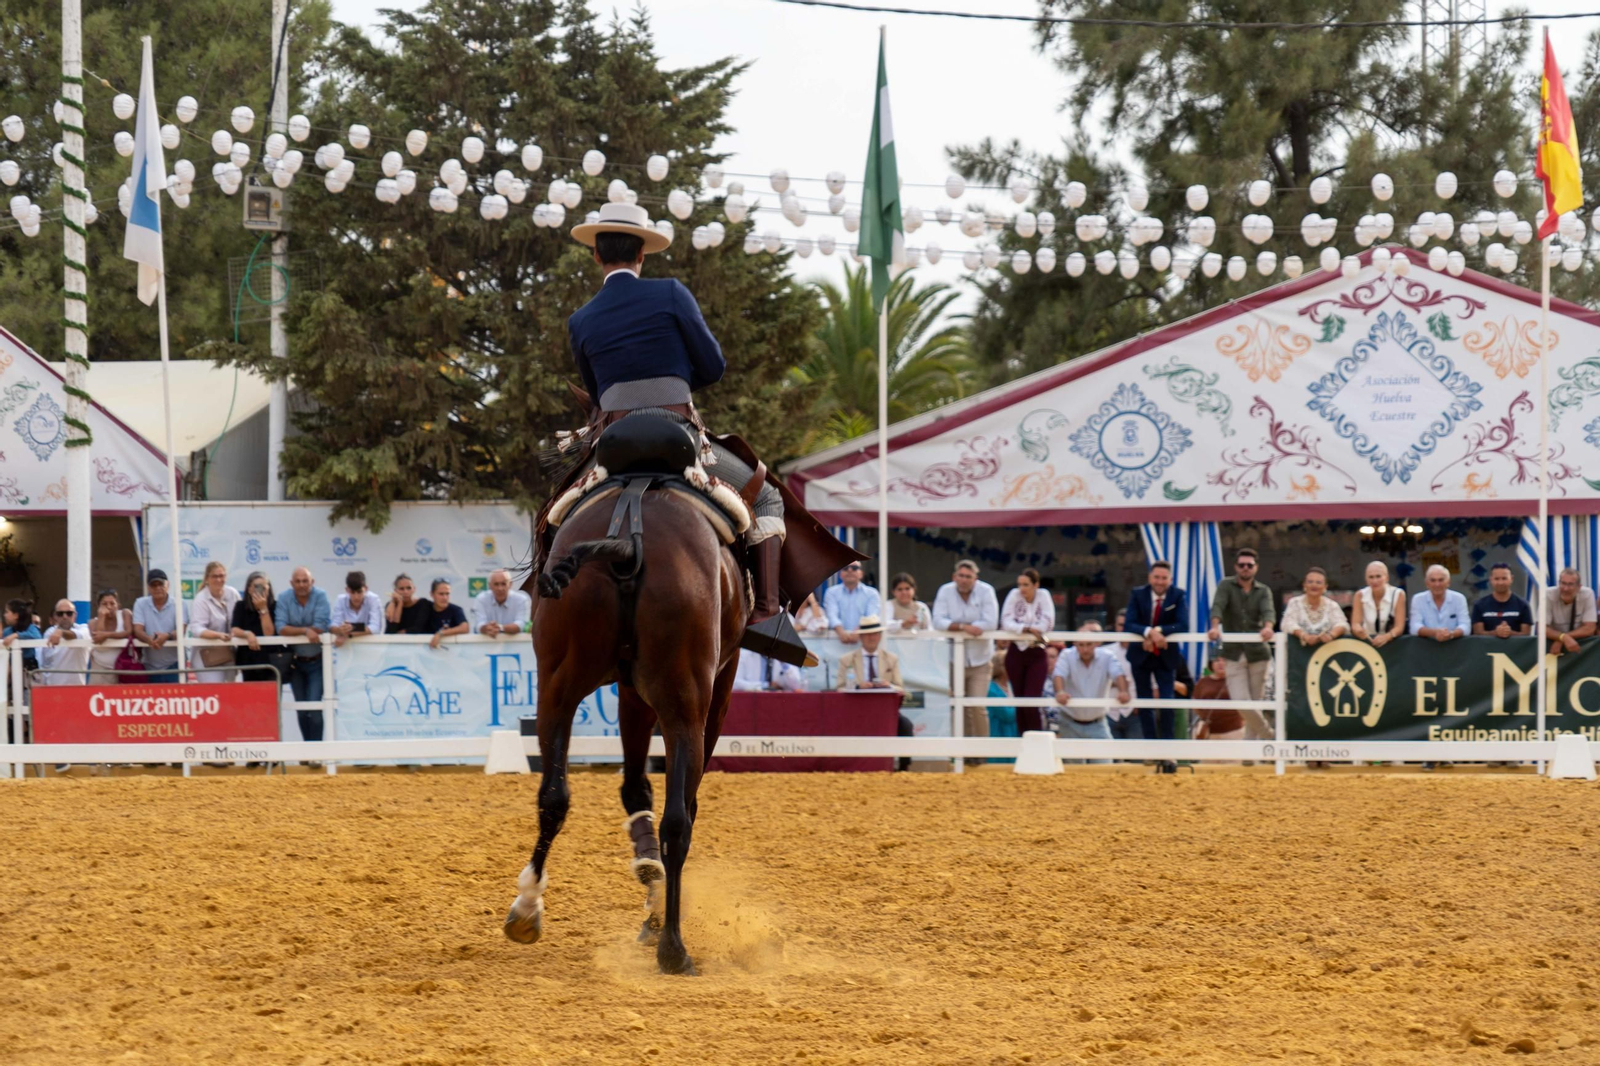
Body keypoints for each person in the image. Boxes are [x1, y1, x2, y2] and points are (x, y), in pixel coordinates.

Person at [553, 201, 861, 666]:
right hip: (678, 434)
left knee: (556, 512)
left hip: (612, 442)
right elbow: (713, 368)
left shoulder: (580, 319)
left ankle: (543, 590)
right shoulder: (672, 293)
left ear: (596, 256)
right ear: (642, 255)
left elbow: (597, 392)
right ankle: (767, 615)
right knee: (768, 500)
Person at [932, 559, 1000, 758]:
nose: (964, 580)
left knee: (977, 705)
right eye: (961, 576)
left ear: (975, 579)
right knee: (957, 706)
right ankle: (961, 753)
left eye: (968, 577)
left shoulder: (986, 591)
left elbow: (990, 622)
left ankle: (981, 753)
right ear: (954, 577)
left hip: (980, 660)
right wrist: (965, 627)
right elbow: (937, 620)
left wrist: (956, 625)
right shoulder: (945, 591)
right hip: (953, 659)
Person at [1208, 548, 1276, 741]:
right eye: (1242, 565)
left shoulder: (1263, 590)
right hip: (1233, 653)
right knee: (1242, 702)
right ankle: (1269, 735)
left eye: (1249, 565)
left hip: (1258, 654)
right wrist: (1215, 627)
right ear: (1236, 567)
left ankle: (1249, 756)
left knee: (1255, 704)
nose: (1245, 568)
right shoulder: (1226, 586)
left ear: (1256, 568)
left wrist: (1268, 627)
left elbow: (1268, 611)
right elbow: (1218, 606)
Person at [1124, 561, 1187, 757]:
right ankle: (1151, 748)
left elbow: (1183, 625)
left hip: (1165, 656)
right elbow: (1129, 623)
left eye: (1164, 578)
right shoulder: (1138, 593)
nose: (1160, 581)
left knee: (1167, 702)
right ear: (1150, 577)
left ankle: (1167, 750)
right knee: (1144, 703)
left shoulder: (1178, 595)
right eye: (1156, 577)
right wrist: (1148, 633)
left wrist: (1159, 632)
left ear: (1171, 580)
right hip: (1141, 654)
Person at [1049, 621, 1132, 763]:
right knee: (1073, 774)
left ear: (1096, 644)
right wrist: (1060, 691)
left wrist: (1123, 691)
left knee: (1104, 770)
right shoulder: (1066, 655)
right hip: (1070, 723)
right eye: (1081, 645)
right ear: (1075, 644)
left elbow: (1118, 673)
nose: (1085, 649)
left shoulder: (1107, 656)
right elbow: (1059, 674)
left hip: (1098, 723)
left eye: (1089, 644)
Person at [276, 567, 332, 741]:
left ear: (312, 582)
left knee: (314, 710)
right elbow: (281, 628)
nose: (301, 584)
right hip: (295, 664)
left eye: (305, 581)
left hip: (317, 662)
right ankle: (307, 753)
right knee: (301, 711)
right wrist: (306, 630)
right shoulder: (284, 598)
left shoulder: (320, 596)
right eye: (298, 581)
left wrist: (299, 630)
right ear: (291, 583)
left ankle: (317, 754)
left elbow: (321, 626)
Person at [1000, 568, 1055, 733]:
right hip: (1016, 651)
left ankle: (1036, 739)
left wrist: (1029, 630)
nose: (1022, 588)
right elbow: (1005, 621)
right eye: (1019, 584)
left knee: (1032, 700)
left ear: (1035, 585)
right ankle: (1022, 740)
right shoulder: (1013, 595)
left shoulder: (1044, 595)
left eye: (1026, 584)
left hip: (1037, 652)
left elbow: (1048, 621)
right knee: (1019, 702)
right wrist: (1026, 629)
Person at [189, 560, 240, 683]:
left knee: (231, 695)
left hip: (229, 654)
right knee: (213, 695)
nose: (218, 579)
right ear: (207, 579)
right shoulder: (201, 599)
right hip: (207, 656)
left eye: (221, 576)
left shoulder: (232, 593)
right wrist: (218, 636)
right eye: (214, 576)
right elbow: (196, 629)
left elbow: (240, 619)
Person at [231, 572, 281, 684]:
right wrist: (247, 634)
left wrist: (263, 609)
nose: (260, 590)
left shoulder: (276, 606)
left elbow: (269, 633)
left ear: (269, 589)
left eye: (263, 587)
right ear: (249, 589)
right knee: (250, 698)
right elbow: (234, 629)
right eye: (256, 586)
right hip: (248, 660)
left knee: (272, 698)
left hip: (271, 661)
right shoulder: (241, 606)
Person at [131, 570, 179, 683]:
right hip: (148, 666)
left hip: (174, 665)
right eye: (153, 585)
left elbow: (182, 630)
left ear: (168, 585)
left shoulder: (179, 603)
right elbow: (137, 630)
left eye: (160, 584)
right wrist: (149, 640)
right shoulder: (140, 603)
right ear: (148, 588)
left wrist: (167, 636)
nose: (157, 588)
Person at [1282, 567, 1350, 647]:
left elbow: (1343, 624)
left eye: (1318, 582)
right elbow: (1287, 624)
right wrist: (1304, 636)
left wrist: (1331, 635)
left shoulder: (1332, 605)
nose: (1314, 585)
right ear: (1304, 585)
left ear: (1325, 587)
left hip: (1325, 651)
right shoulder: (1294, 603)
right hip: (1298, 651)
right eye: (1310, 582)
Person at [834, 616, 903, 690]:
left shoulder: (891, 659)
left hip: (883, 699)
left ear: (880, 636)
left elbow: (900, 688)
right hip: (857, 700)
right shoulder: (846, 660)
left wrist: (889, 686)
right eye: (868, 634)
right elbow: (840, 688)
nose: (872, 638)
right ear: (860, 636)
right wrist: (857, 687)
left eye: (875, 634)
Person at [1544, 566, 1597, 657]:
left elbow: (1590, 628)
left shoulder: (1588, 594)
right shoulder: (1548, 594)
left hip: (1580, 646)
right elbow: (1541, 628)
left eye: (1570, 584)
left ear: (1579, 587)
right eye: (1563, 583)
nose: (1565, 589)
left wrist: (1563, 638)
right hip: (1550, 645)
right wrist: (1563, 637)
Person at [1351, 560, 1406, 647]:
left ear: (1387, 578)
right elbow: (1355, 624)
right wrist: (1358, 630)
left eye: (1378, 576)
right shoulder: (1359, 595)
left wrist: (1387, 637)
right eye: (1371, 577)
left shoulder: (1398, 594)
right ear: (1366, 579)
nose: (1374, 581)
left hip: (1392, 643)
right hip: (1367, 642)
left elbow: (1399, 627)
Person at [1409, 564, 1470, 642]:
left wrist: (1451, 634)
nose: (1437, 584)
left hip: (1454, 647)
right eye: (1433, 580)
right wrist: (1434, 633)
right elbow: (1414, 628)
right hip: (1425, 648)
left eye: (1441, 580)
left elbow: (1466, 626)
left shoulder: (1459, 598)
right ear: (1427, 583)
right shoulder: (1417, 599)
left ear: (1448, 582)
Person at [1471, 562, 1532, 638]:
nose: (1500, 582)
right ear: (1491, 580)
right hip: (1487, 649)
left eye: (1504, 578)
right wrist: (1495, 633)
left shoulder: (1523, 605)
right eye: (1496, 579)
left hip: (1516, 649)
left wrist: (1509, 633)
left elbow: (1526, 634)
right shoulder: (1479, 605)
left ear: (1511, 579)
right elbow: (1477, 633)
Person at [1105, 609, 1140, 741]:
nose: (1124, 628)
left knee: (1136, 759)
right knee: (1108, 759)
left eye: (1127, 624)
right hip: (1109, 713)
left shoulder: (1144, 652)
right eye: (1120, 625)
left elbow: (1153, 685)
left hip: (1135, 714)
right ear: (1115, 626)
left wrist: (1140, 705)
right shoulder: (1105, 652)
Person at [37, 600, 91, 685]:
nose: (65, 616)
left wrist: (61, 632)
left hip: (77, 689)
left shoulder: (84, 629)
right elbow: (46, 663)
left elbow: (77, 636)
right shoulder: (49, 632)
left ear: (75, 615)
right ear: (55, 616)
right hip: (54, 689)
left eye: (69, 613)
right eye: (60, 613)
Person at [824, 563, 881, 644]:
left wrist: (858, 632)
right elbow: (831, 615)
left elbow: (871, 616)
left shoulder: (872, 593)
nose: (849, 570)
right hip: (836, 641)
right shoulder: (831, 592)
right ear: (840, 574)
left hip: (863, 642)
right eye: (845, 568)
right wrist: (841, 633)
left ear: (861, 574)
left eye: (854, 568)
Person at [1191, 658, 1245, 741]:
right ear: (1211, 664)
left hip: (1233, 732)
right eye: (1217, 660)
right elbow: (1195, 705)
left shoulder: (1237, 681)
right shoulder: (1203, 682)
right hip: (1209, 733)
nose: (1221, 663)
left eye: (1224, 660)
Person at [86, 589, 133, 681]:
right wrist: (101, 617)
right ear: (98, 606)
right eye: (104, 604)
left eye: (112, 603)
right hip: (99, 668)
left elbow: (128, 632)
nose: (109, 607)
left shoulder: (125, 614)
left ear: (118, 605)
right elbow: (98, 639)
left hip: (123, 668)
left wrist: (107, 635)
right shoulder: (92, 623)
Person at [330, 570, 385, 646]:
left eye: (359, 592)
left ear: (366, 589)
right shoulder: (340, 600)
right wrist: (340, 630)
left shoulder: (374, 599)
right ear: (347, 590)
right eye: (352, 592)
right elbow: (333, 626)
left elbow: (375, 627)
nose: (356, 597)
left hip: (371, 647)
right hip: (347, 650)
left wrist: (349, 633)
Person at [474, 569, 532, 637]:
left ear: (510, 584)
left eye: (503, 584)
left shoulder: (521, 600)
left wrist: (500, 628)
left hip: (515, 645)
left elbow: (521, 625)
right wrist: (487, 628)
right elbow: (479, 624)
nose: (500, 588)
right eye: (496, 584)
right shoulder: (481, 599)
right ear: (490, 585)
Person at [421, 579, 470, 649]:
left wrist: (441, 633)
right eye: (441, 594)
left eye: (447, 594)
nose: (445, 598)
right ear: (431, 594)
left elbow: (465, 628)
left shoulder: (455, 610)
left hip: (452, 652)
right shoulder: (425, 609)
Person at [733, 649, 804, 692]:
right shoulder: (744, 655)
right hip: (752, 702)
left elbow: (797, 685)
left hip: (778, 703)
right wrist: (767, 685)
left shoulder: (786, 655)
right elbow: (735, 683)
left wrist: (784, 663)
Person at [2, 598, 41, 675]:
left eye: (7, 612)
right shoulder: (7, 631)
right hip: (12, 670)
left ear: (16, 615)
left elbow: (37, 636)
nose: (4, 615)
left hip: (30, 670)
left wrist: (16, 635)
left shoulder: (31, 628)